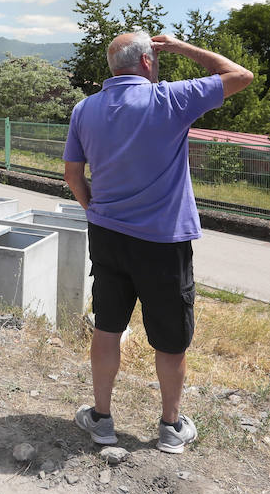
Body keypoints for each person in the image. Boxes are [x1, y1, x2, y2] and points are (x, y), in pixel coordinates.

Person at [62, 31, 253, 453]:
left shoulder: (85, 109)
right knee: (169, 337)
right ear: (148, 62)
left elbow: (73, 176)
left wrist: (95, 210)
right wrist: (183, 47)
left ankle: (101, 419)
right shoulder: (170, 99)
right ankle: (170, 427)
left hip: (107, 235)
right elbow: (240, 75)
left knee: (108, 327)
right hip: (164, 242)